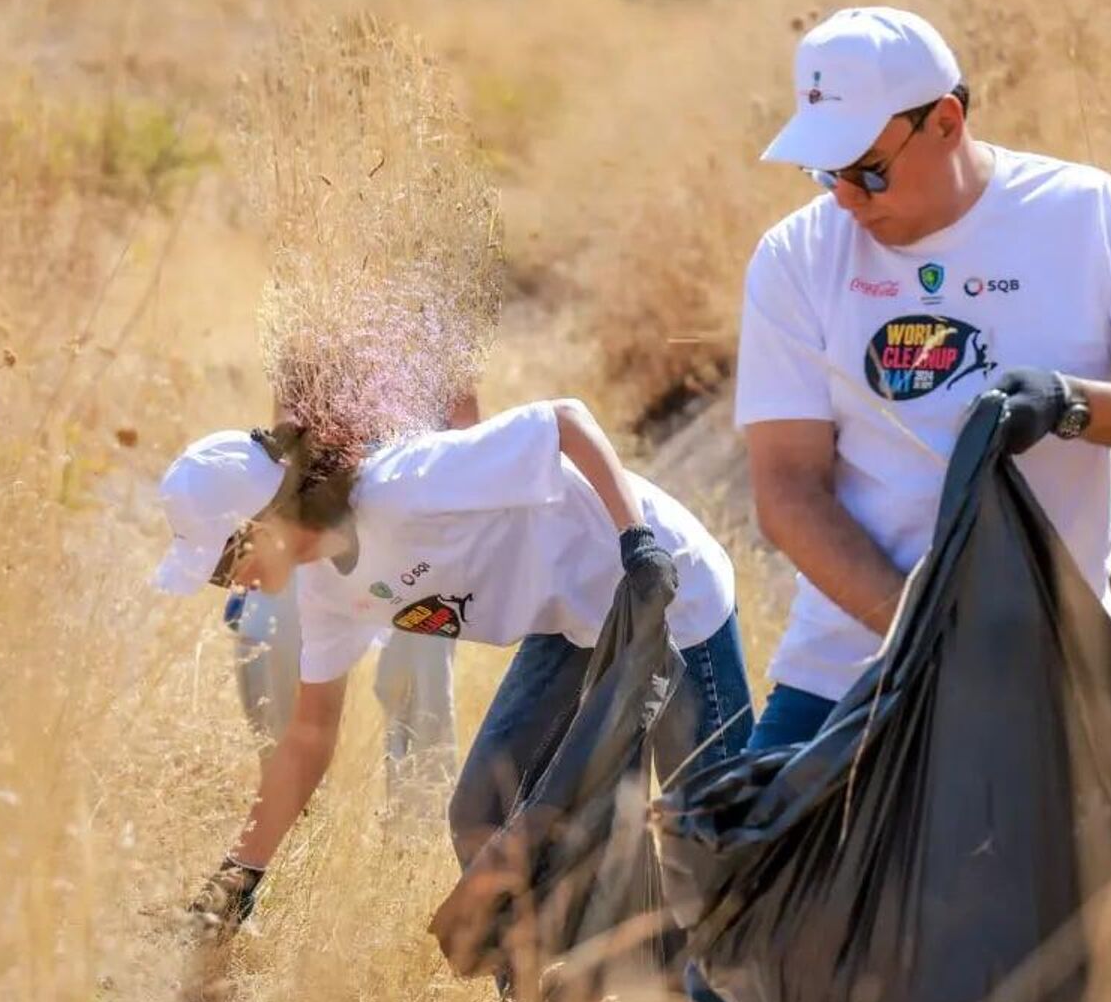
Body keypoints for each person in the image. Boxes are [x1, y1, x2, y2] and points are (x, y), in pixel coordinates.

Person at [693, 6, 1111, 1002]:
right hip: (847, 673)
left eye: (869, 167)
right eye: (825, 168)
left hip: (1024, 691)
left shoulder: (1085, 217)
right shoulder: (797, 259)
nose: (846, 196)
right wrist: (915, 629)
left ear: (949, 119)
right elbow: (788, 491)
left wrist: (1076, 404)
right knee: (733, 977)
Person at [152, 399, 754, 957]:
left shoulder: (406, 485)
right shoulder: (324, 594)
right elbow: (309, 737)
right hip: (578, 626)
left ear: (263, 521)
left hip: (671, 593)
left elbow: (567, 421)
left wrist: (638, 542)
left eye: (225, 564)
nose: (232, 584)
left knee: (715, 839)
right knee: (483, 813)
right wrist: (238, 879)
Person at [223, 392, 482, 814]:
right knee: (263, 630)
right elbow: (287, 416)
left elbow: (465, 426)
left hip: (413, 516)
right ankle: (290, 804)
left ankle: (414, 828)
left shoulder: (435, 330)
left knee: (421, 670)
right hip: (323, 508)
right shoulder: (309, 334)